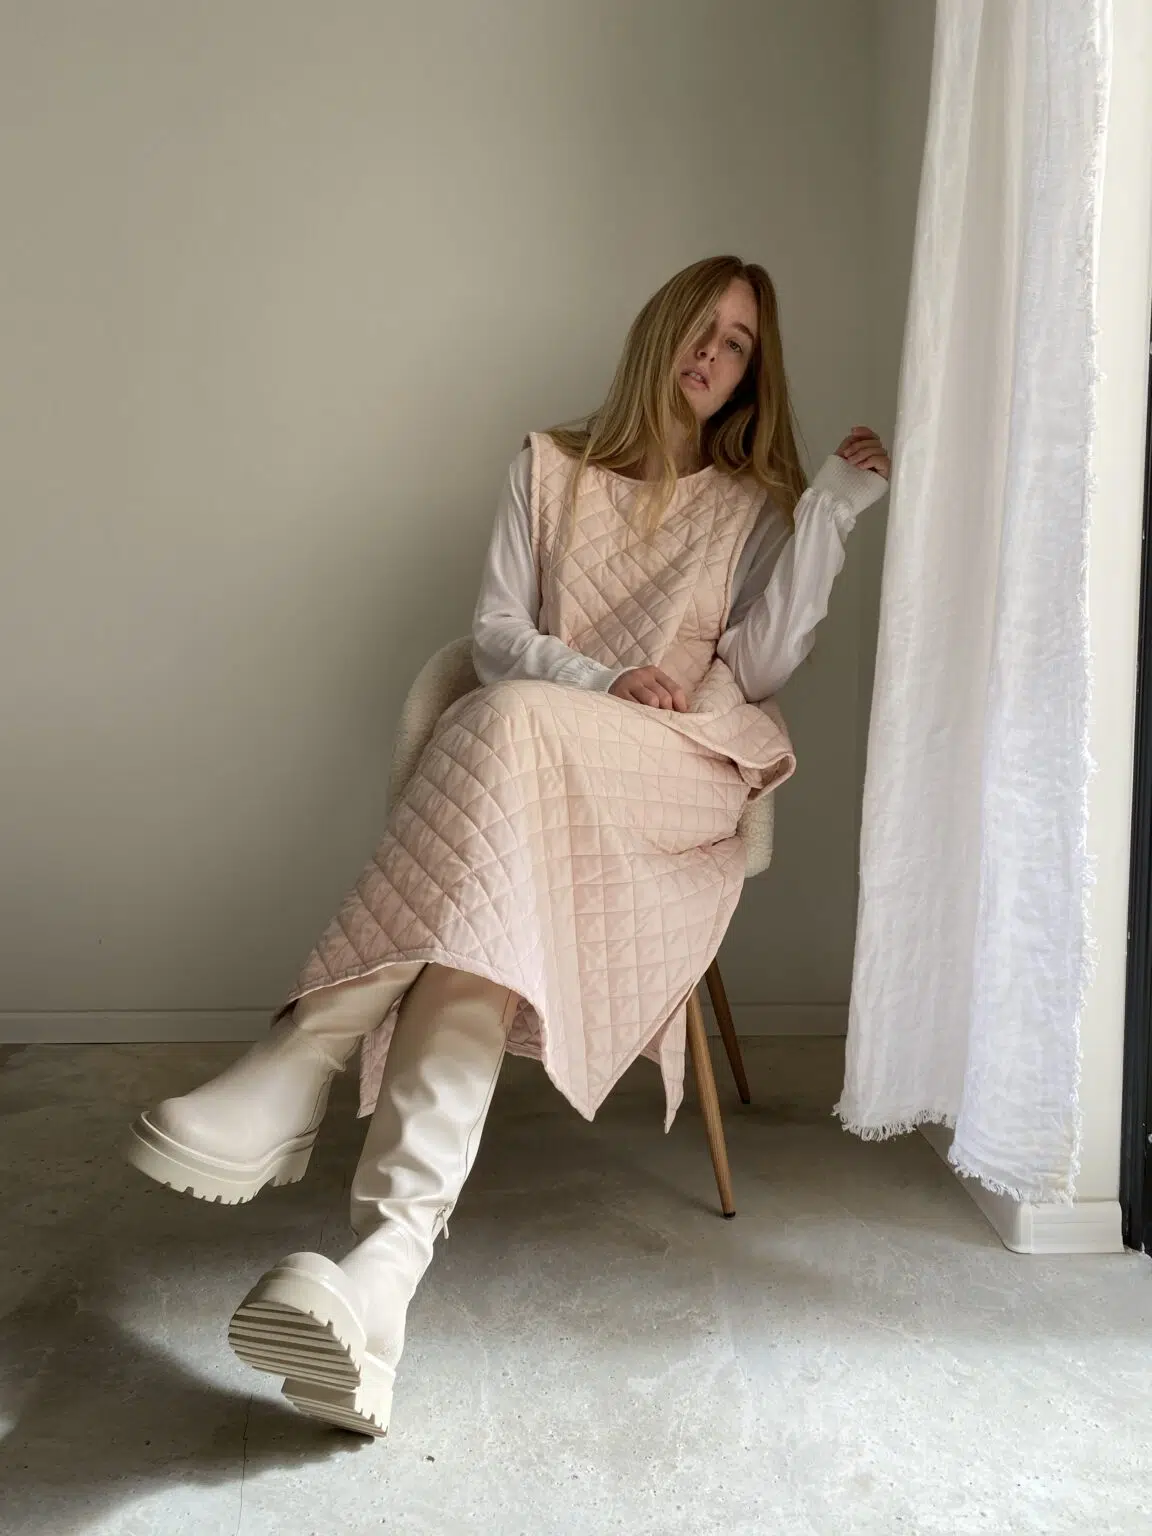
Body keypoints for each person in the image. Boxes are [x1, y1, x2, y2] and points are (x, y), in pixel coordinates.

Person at [124, 255, 890, 1438]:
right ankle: (381, 1282)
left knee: (505, 726)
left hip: (672, 770)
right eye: (701, 328)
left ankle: (302, 1057)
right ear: (660, 333)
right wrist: (597, 675)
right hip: (541, 761)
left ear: (752, 373)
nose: (713, 354)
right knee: (486, 889)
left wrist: (830, 510)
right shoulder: (547, 466)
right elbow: (492, 632)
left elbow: (762, 665)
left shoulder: (748, 511)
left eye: (739, 343)